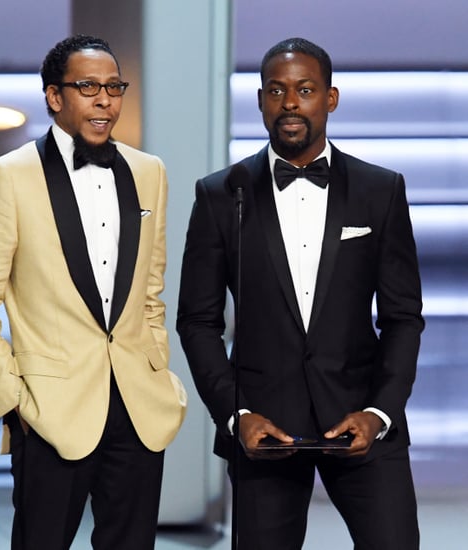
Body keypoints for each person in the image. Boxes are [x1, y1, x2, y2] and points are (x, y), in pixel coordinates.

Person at [177, 37, 423, 549]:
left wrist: (380, 413)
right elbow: (198, 321)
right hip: (264, 430)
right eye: (277, 90)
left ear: (330, 99)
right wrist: (236, 414)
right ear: (261, 100)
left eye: (305, 89)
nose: (290, 103)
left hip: (362, 420)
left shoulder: (381, 190)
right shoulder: (221, 194)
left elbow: (402, 317)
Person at [0, 34, 187, 550]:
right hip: (48, 409)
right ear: (55, 97)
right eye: (87, 87)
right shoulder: (8, 178)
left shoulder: (150, 172)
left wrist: (156, 364)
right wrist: (12, 398)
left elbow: (150, 289)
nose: (105, 100)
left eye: (113, 87)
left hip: (137, 406)